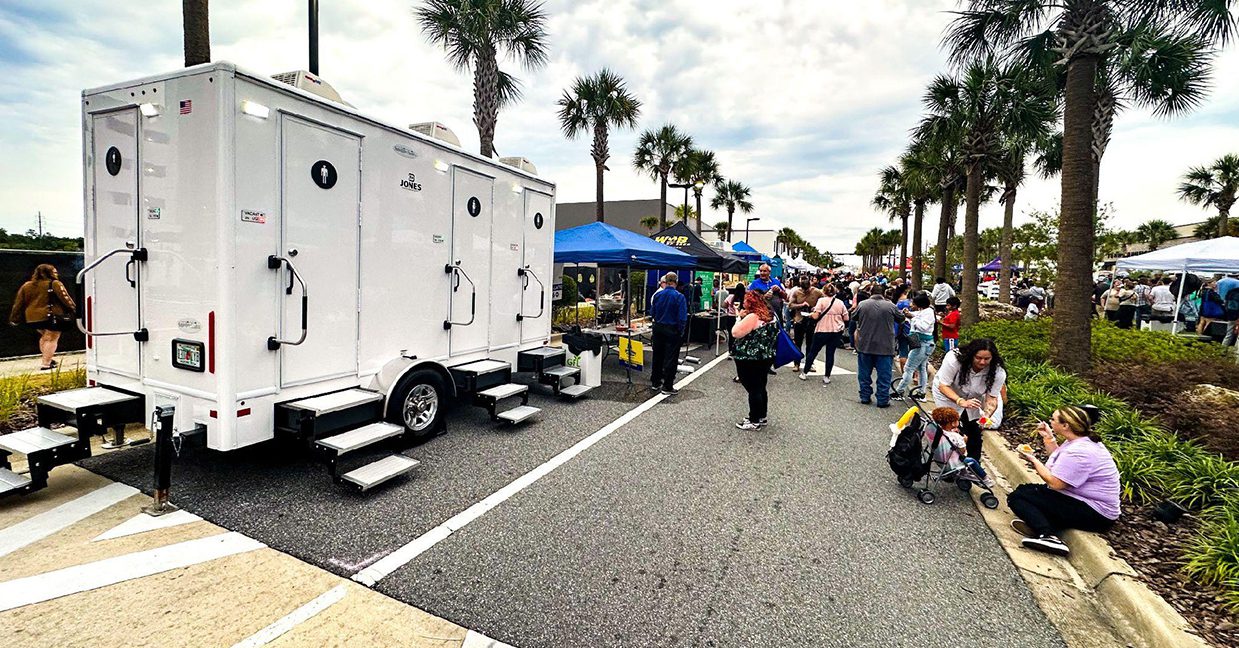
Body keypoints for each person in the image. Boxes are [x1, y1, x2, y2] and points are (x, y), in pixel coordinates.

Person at [1009, 406, 1121, 557]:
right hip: (1083, 501)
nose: (1050, 421)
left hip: (1096, 513)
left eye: (1053, 419)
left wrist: (1032, 460)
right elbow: (1061, 462)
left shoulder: (1080, 452)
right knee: (1028, 491)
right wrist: (1048, 438)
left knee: (1018, 497)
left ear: (1065, 425)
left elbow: (1055, 483)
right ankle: (1043, 524)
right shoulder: (1080, 441)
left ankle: (1047, 535)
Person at [932, 339, 1007, 482]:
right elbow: (944, 386)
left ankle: (973, 468)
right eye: (978, 358)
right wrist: (960, 401)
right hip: (948, 394)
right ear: (971, 355)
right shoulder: (954, 359)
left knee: (974, 431)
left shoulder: (997, 371)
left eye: (987, 359)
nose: (983, 362)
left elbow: (992, 398)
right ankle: (949, 465)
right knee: (952, 429)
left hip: (973, 399)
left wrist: (986, 415)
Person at [9, 263, 77, 370]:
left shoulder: (26, 285)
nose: (56, 273)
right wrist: (76, 311)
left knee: (45, 338)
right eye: (54, 271)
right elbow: (66, 299)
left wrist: (14, 318)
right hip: (51, 316)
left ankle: (48, 359)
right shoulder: (55, 283)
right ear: (50, 273)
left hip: (32, 318)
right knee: (51, 338)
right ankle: (46, 363)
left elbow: (18, 303)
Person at [731, 290, 778, 430]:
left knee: (752, 388)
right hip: (766, 356)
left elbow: (736, 333)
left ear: (750, 303)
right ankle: (761, 415)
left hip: (749, 357)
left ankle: (754, 420)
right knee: (761, 386)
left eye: (746, 300)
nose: (743, 302)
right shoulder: (771, 315)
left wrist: (739, 318)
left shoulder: (752, 317)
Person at [852, 291, 904, 408]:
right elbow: (901, 319)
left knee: (864, 373)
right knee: (884, 375)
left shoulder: (862, 304)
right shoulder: (891, 306)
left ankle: (865, 396)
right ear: (883, 294)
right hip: (885, 346)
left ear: (871, 293)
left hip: (865, 345)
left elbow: (853, 317)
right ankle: (882, 399)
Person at [649, 272, 688, 395]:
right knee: (671, 357)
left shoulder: (657, 295)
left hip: (658, 327)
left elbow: (652, 313)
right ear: (675, 282)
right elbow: (682, 317)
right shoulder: (679, 297)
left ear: (665, 281)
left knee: (657, 355)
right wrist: (681, 331)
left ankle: (655, 382)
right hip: (672, 329)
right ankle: (667, 385)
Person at [801, 284, 849, 384]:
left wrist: (810, 314)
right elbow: (846, 318)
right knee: (830, 353)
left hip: (822, 330)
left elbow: (815, 316)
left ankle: (804, 373)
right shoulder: (840, 302)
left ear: (824, 291)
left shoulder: (821, 301)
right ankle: (827, 376)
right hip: (836, 331)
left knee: (813, 352)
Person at [893, 294, 934, 399]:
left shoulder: (928, 313)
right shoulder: (924, 311)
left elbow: (923, 326)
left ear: (919, 305)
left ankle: (899, 391)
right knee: (922, 368)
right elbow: (916, 314)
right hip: (924, 344)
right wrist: (909, 314)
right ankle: (921, 392)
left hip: (922, 344)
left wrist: (912, 318)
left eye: (913, 303)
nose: (911, 305)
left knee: (909, 368)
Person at [787, 275, 822, 374]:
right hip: (799, 319)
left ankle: (809, 363)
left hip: (812, 320)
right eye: (804, 289)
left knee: (810, 344)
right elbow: (790, 305)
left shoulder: (817, 292)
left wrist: (816, 308)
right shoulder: (796, 292)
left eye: (807, 289)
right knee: (798, 343)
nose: (806, 291)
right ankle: (796, 363)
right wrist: (801, 305)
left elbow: (824, 301)